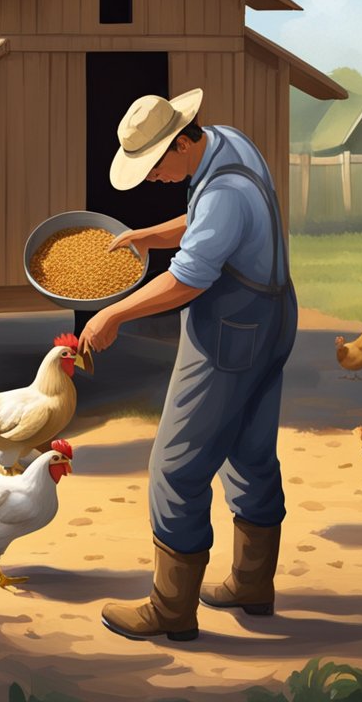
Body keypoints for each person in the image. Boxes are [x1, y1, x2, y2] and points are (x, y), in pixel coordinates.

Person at [79, 88, 297, 642]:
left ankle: (170, 610)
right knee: (249, 451)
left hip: (232, 332)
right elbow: (209, 225)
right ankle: (253, 583)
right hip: (273, 316)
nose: (150, 178)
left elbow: (188, 278)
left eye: (153, 165)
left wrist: (114, 316)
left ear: (181, 141)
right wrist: (150, 235)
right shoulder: (230, 145)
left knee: (176, 467)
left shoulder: (221, 191)